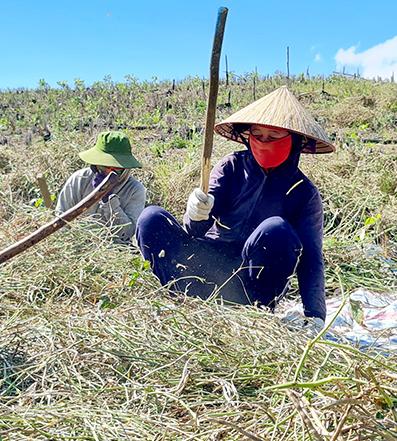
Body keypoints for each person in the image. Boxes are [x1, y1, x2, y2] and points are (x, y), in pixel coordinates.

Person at [135, 85, 332, 320]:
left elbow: (311, 258)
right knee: (151, 217)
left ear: (294, 142)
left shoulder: (303, 193)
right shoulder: (231, 166)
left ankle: (253, 314)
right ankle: (174, 297)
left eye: (273, 137)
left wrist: (316, 314)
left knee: (277, 230)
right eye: (257, 135)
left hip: (252, 286)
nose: (263, 142)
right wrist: (196, 214)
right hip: (204, 269)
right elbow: (195, 230)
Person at [54, 130, 146, 243]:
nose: (107, 172)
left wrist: (109, 199)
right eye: (104, 166)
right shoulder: (79, 179)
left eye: (114, 168)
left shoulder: (135, 189)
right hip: (77, 245)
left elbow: (127, 233)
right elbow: (61, 220)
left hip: (114, 250)